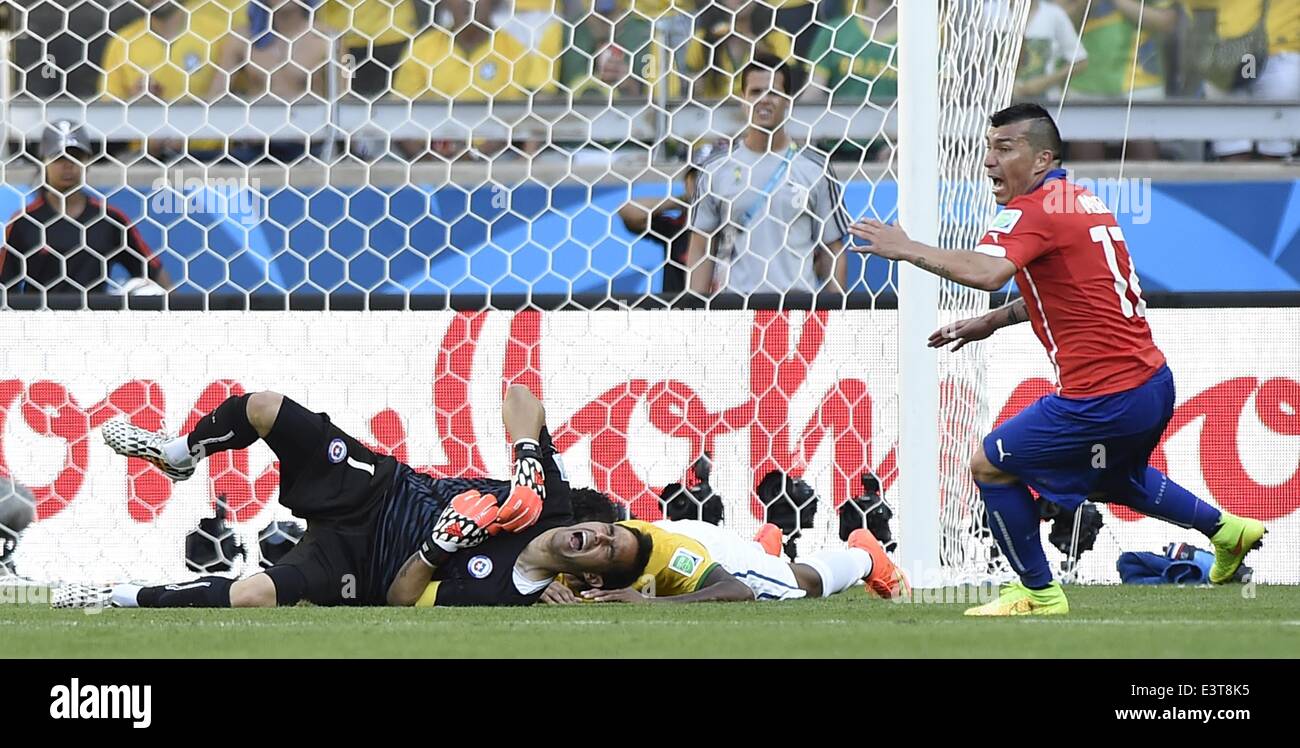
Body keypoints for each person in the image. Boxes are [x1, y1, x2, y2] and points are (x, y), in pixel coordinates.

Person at [847, 103, 1267, 616]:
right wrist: (993, 321)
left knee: (991, 464)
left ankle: (1039, 593)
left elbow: (986, 271)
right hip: (1151, 384)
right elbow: (1074, 292)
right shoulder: (1080, 201)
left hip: (1104, 396)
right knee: (1113, 477)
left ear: (1043, 157)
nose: (988, 162)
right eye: (988, 148)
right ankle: (1228, 531)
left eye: (1004, 149)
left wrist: (906, 247)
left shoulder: (1037, 209)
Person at [53, 385, 629, 609]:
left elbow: (404, 600)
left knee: (253, 596)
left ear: (588, 578)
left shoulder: (511, 597)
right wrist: (528, 456)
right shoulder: (546, 503)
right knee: (264, 407)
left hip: (360, 566)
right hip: (378, 488)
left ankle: (113, 596)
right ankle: (178, 455)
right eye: (604, 529)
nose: (597, 535)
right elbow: (520, 395)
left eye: (606, 548)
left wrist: (440, 545)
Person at [685, 54, 852, 296]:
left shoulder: (815, 168)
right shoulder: (715, 170)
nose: (764, 100)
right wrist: (695, 313)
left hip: (796, 310)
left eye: (773, 92)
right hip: (735, 310)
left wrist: (836, 316)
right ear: (743, 100)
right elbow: (700, 247)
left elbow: (833, 251)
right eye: (755, 92)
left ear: (788, 101)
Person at [542, 518, 906, 604]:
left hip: (708, 553)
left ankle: (865, 558)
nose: (599, 536)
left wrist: (649, 602)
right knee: (759, 562)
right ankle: (762, 549)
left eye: (608, 536)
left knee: (797, 585)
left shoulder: (674, 558)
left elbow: (738, 590)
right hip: (681, 534)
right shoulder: (569, 541)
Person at [1, 122, 171, 301]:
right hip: (40, 323)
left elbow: (154, 272)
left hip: (94, 324)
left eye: (75, 156)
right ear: (42, 162)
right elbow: (4, 284)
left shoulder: (109, 218)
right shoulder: (24, 221)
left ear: (88, 162)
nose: (68, 166)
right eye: (59, 157)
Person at [617, 161, 699, 295]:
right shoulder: (677, 226)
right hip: (680, 311)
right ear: (687, 184)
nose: (703, 185)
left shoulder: (733, 223)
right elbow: (628, 212)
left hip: (727, 310)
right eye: (697, 179)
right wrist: (681, 200)